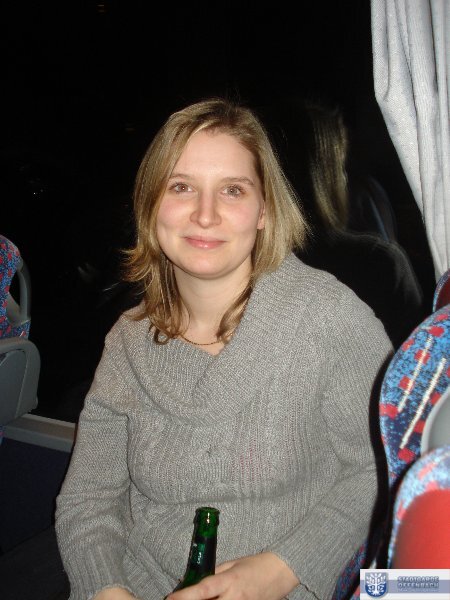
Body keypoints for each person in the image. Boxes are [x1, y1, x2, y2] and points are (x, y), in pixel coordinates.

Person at [55, 98, 393, 600]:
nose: (205, 214)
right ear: (151, 204)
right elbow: (88, 500)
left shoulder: (329, 319)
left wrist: (281, 569)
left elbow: (382, 467)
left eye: (232, 190)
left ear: (264, 210)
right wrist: (107, 590)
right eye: (181, 187)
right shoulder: (127, 340)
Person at [261, 97, 426, 349]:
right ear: (330, 173)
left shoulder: (253, 266)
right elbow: (421, 361)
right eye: (342, 165)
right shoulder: (378, 263)